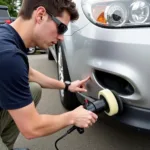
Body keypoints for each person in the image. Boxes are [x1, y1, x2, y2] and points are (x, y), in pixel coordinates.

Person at [0, 0, 98, 150]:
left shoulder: (8, 35)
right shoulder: (8, 56)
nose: (61, 37)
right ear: (40, 15)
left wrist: (67, 86)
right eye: (62, 28)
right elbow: (31, 128)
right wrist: (72, 117)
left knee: (34, 89)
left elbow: (29, 74)